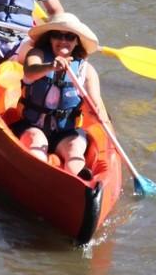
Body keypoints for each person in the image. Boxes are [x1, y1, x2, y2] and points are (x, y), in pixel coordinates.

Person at [13, 13, 106, 177]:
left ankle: (81, 181)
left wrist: (97, 110)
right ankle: (40, 176)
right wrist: (50, 66)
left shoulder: (86, 70)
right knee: (36, 141)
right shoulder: (37, 55)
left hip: (66, 132)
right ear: (50, 38)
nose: (63, 40)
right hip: (32, 125)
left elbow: (96, 101)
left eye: (69, 36)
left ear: (76, 41)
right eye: (57, 35)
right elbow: (30, 71)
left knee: (74, 152)